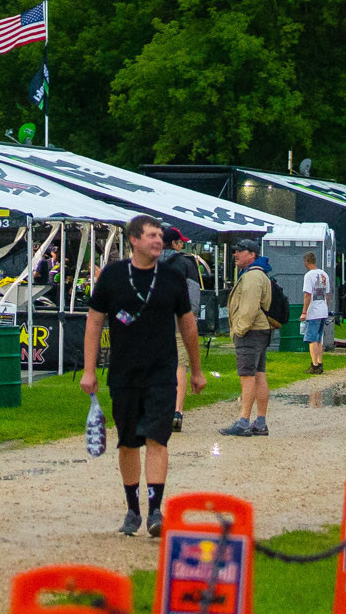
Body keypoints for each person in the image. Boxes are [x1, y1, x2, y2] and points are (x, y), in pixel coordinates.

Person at [81, 214, 205, 538]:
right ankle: (132, 510)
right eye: (150, 235)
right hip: (124, 373)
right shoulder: (112, 276)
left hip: (163, 372)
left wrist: (197, 370)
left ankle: (155, 510)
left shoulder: (173, 277)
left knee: (157, 439)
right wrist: (89, 370)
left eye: (159, 236)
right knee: (128, 443)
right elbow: (94, 322)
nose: (157, 240)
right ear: (134, 239)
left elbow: (188, 325)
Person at [221, 238, 275, 437]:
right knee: (259, 375)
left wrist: (239, 330)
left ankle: (244, 421)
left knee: (247, 377)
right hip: (261, 330)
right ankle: (260, 421)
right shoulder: (261, 273)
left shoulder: (252, 276)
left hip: (250, 331)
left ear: (252, 254)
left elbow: (249, 308)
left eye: (240, 251)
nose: (235, 254)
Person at [160, 226, 201, 433]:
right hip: (178, 323)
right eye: (180, 242)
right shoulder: (186, 264)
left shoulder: (147, 261)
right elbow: (193, 300)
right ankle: (177, 411)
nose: (182, 245)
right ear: (175, 244)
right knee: (179, 366)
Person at [299, 251, 333, 372]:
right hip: (323, 310)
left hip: (313, 311)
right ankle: (320, 362)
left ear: (306, 262)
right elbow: (327, 295)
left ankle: (314, 365)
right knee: (319, 339)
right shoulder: (324, 274)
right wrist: (326, 307)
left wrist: (304, 312)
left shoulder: (309, 276)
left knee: (312, 339)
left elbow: (307, 295)